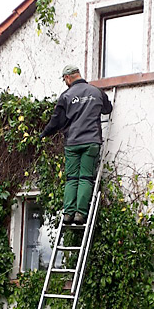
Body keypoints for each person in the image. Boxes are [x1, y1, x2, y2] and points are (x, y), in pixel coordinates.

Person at [39, 65, 113, 224]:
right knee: (86, 178)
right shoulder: (97, 92)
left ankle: (68, 214)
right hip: (91, 141)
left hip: (72, 143)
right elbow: (107, 109)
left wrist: (44, 133)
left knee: (72, 178)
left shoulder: (66, 96)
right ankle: (80, 214)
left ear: (67, 78)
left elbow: (56, 121)